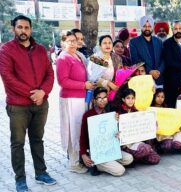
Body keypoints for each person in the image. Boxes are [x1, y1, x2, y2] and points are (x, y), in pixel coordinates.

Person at [0, 15, 57, 191]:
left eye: (26, 27)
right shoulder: (6, 50)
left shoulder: (40, 50)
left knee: (37, 140)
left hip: (41, 104)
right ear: (13, 29)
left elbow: (50, 73)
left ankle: (41, 173)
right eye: (20, 27)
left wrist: (43, 92)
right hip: (18, 105)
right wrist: (32, 94)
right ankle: (20, 179)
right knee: (18, 143)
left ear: (31, 30)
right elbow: (8, 78)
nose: (23, 31)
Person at [56, 31, 95, 174]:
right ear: (62, 43)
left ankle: (80, 158)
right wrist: (83, 85)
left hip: (82, 98)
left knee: (79, 129)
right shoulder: (63, 58)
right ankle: (73, 163)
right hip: (70, 99)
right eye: (69, 41)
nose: (73, 43)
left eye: (74, 40)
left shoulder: (78, 55)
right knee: (72, 129)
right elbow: (63, 81)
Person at [80, 87, 133, 175]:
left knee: (129, 158)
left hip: (110, 148)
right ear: (94, 100)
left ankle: (109, 161)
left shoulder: (111, 113)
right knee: (120, 171)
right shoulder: (88, 115)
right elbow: (83, 137)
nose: (102, 100)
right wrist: (83, 155)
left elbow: (116, 132)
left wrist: (118, 131)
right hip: (98, 151)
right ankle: (99, 165)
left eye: (104, 97)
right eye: (99, 98)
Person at [116, 88, 160, 164]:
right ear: (123, 99)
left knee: (155, 159)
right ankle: (134, 156)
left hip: (137, 141)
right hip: (126, 144)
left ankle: (138, 158)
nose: (131, 100)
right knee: (145, 149)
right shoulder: (119, 112)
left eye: (133, 98)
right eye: (128, 98)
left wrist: (153, 124)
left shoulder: (136, 111)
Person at [130, 16, 164, 88]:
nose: (147, 28)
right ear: (141, 27)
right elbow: (135, 60)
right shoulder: (134, 42)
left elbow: (163, 59)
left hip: (159, 78)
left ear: (152, 27)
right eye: (145, 26)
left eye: (149, 26)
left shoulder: (159, 41)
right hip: (144, 79)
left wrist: (159, 71)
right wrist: (150, 71)